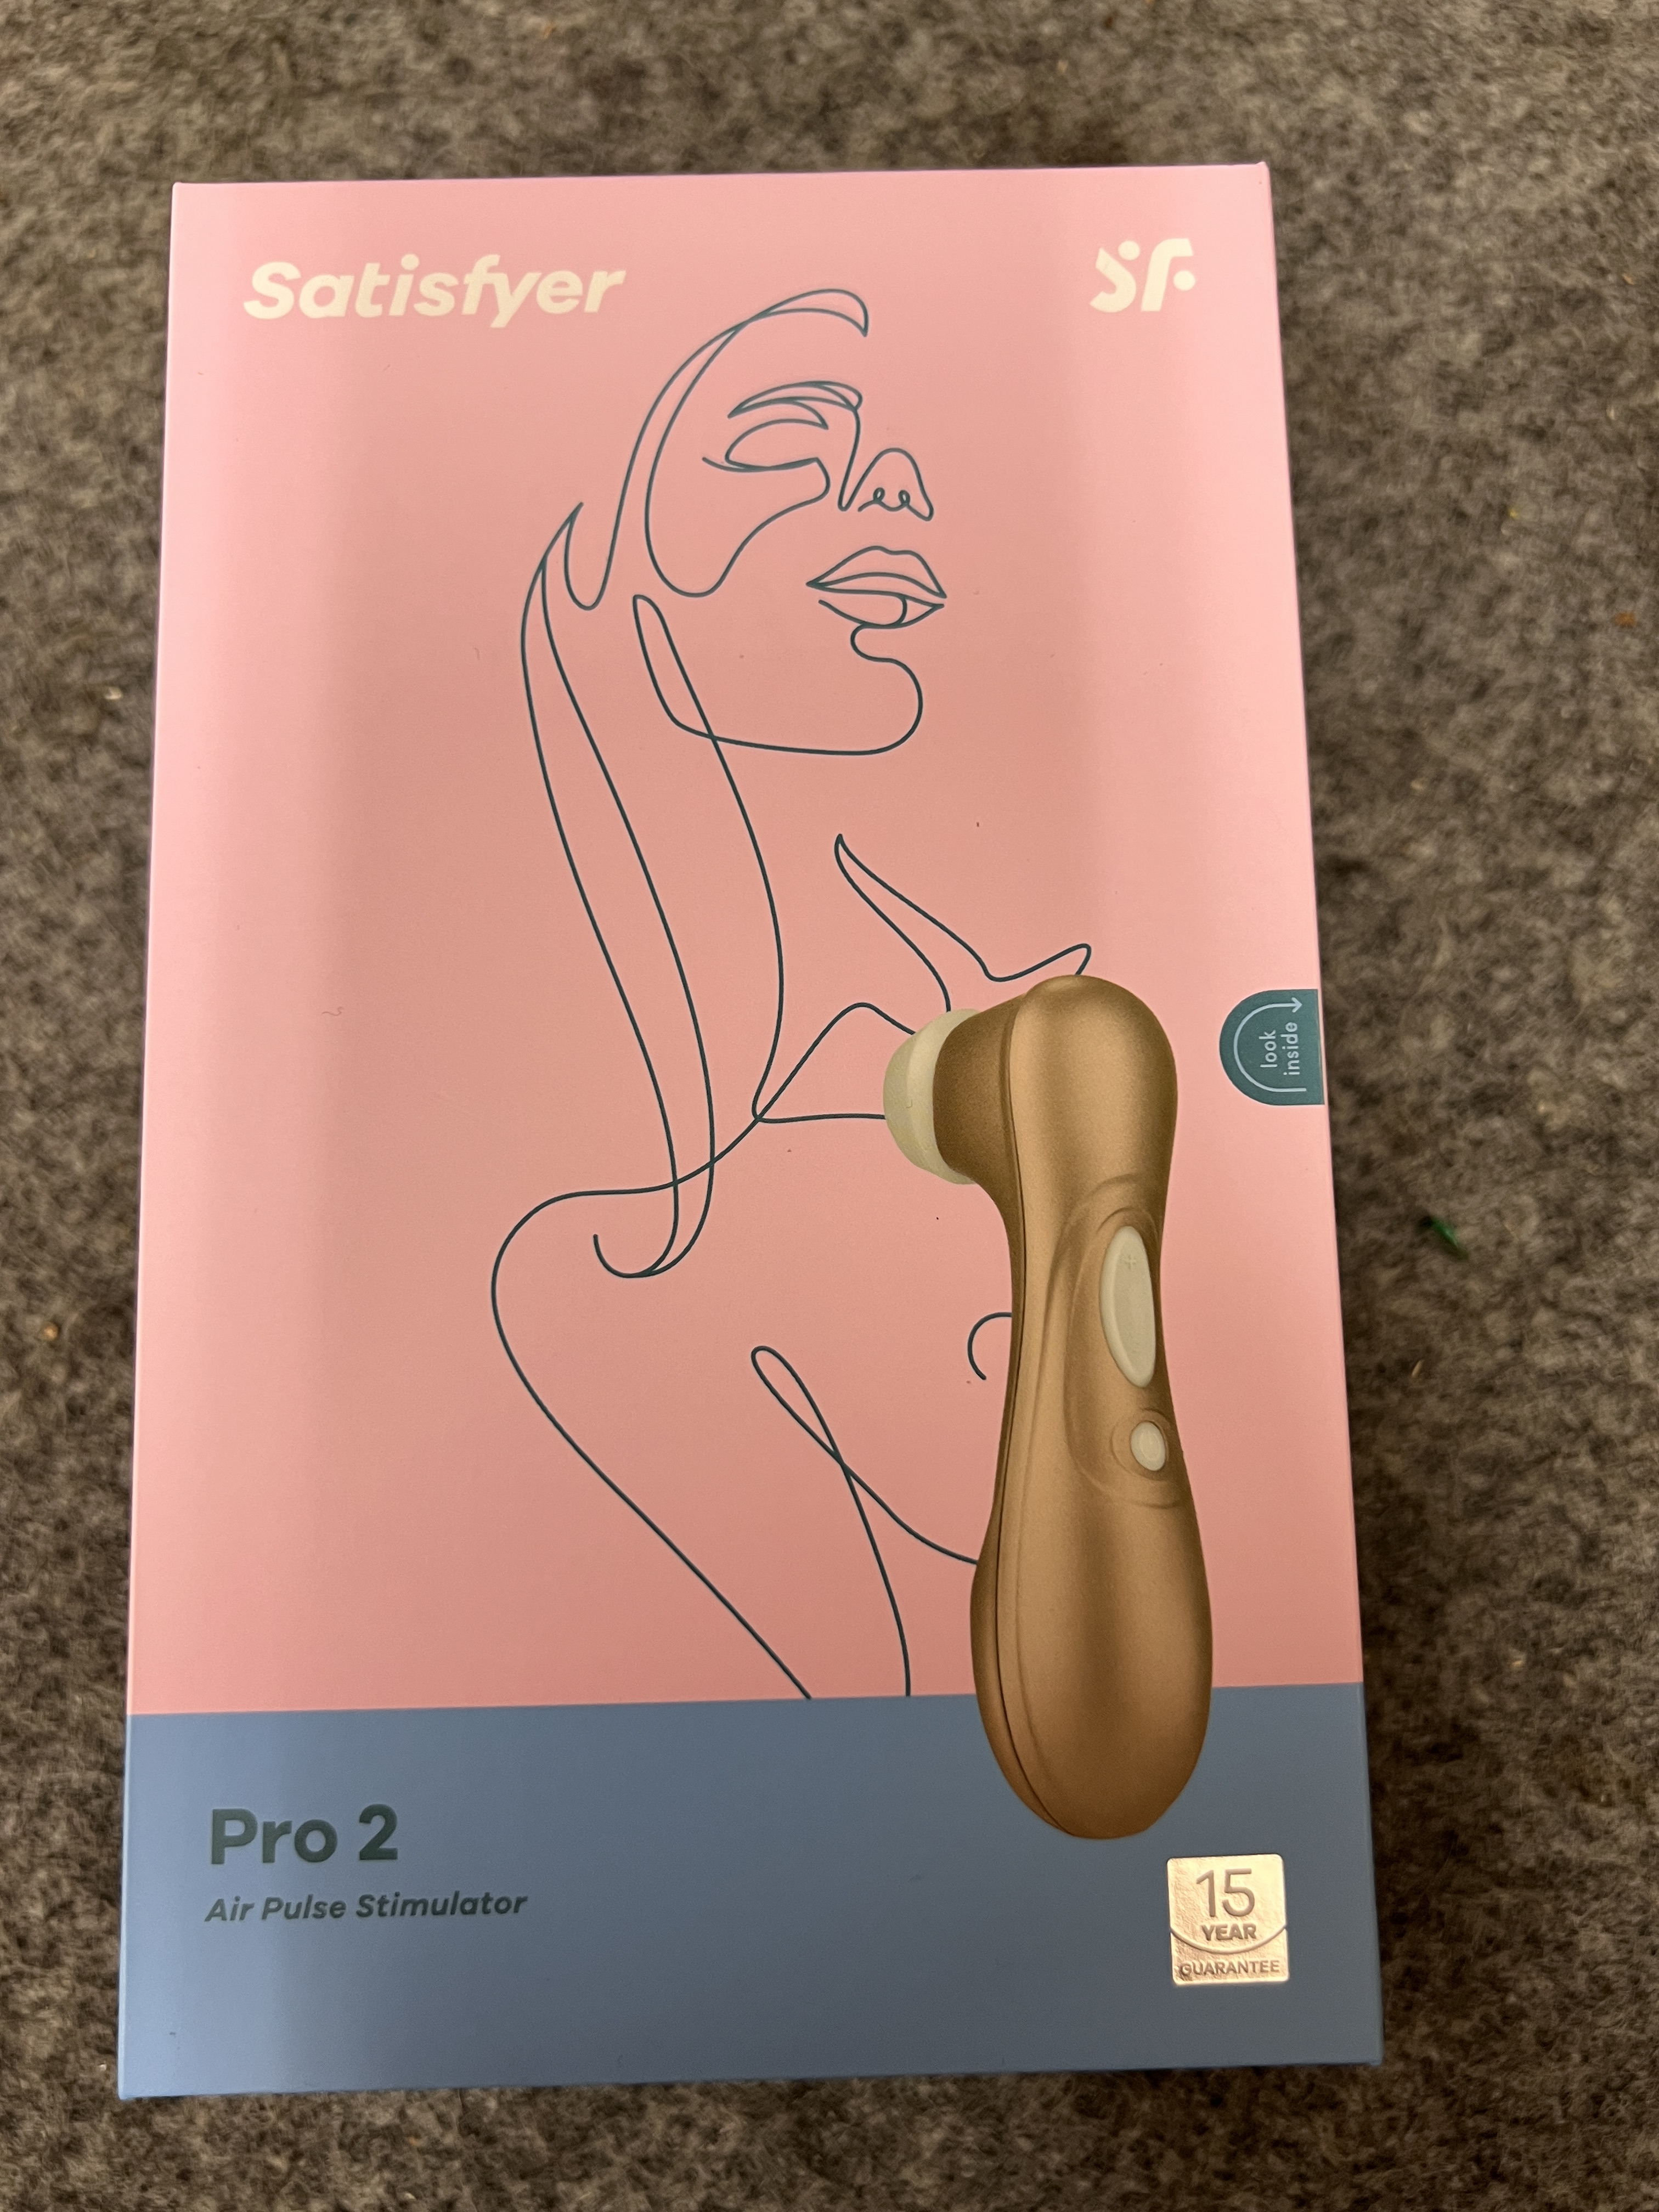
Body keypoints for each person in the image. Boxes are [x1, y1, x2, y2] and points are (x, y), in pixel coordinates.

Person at [493, 289, 1087, 1701]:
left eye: (898, 454)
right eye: (783, 442)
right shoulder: (605, 1257)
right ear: (608, 562)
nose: (898, 487)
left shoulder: (990, 984)